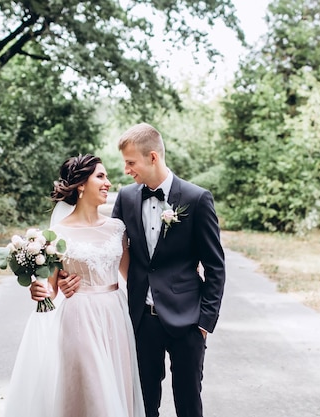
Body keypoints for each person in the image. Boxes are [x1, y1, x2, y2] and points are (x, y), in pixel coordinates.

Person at [32, 123, 226, 417]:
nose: (126, 170)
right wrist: (69, 277)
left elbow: (215, 266)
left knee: (189, 402)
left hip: (187, 320)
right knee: (142, 403)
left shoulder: (197, 198)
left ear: (153, 157)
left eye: (131, 162)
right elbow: (110, 250)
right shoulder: (127, 198)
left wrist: (204, 322)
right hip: (140, 321)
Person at [3, 154, 144, 417]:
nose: (108, 183)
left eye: (107, 177)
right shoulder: (58, 234)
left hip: (115, 317)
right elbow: (52, 288)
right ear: (80, 184)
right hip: (79, 318)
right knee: (92, 395)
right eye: (100, 176)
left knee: (115, 388)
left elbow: (134, 275)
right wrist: (39, 289)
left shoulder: (117, 229)